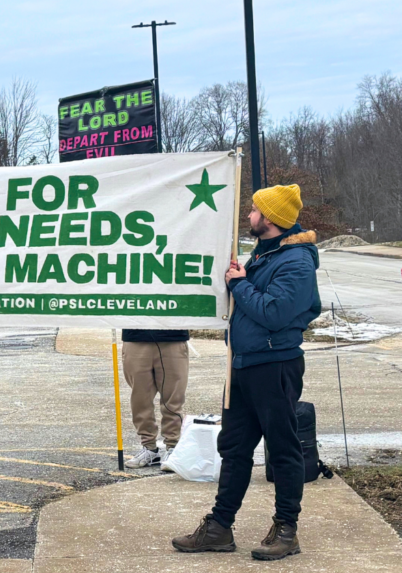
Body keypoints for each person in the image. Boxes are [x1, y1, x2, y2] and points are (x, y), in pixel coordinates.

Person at [173, 184, 320, 562]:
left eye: (254, 210)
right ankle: (220, 528)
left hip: (274, 365)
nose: (249, 215)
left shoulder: (297, 261)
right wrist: (241, 276)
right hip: (242, 365)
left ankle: (287, 529)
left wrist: (239, 283)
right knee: (234, 449)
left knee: (283, 449)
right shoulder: (264, 254)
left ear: (269, 219)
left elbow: (274, 313)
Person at [121, 329, 189, 468]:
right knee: (140, 399)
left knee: (173, 398)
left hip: (173, 337)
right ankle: (149, 448)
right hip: (136, 337)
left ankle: (173, 447)